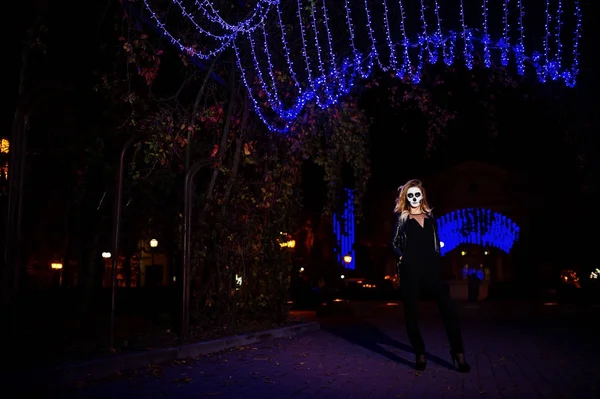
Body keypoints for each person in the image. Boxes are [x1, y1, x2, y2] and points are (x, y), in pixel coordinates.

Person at [391, 179, 471, 373]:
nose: (414, 198)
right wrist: (403, 259)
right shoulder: (402, 218)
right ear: (406, 198)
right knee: (411, 315)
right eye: (410, 195)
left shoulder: (430, 217)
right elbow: (394, 243)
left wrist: (437, 260)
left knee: (449, 310)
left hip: (432, 270)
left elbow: (436, 244)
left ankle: (458, 353)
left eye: (417, 194)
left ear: (422, 196)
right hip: (411, 271)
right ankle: (420, 352)